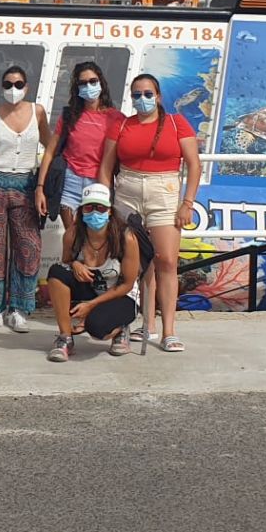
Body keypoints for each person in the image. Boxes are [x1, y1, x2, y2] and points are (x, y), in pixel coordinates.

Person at [100, 73, 200, 353]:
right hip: (127, 192)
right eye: (136, 95)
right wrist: (104, 202)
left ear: (158, 96)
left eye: (147, 94)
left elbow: (194, 164)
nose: (142, 99)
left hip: (163, 191)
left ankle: (169, 331)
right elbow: (106, 167)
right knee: (132, 261)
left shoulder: (176, 123)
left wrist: (187, 203)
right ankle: (140, 324)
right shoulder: (122, 125)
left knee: (166, 260)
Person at [0, 64, 48, 332]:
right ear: (1, 87)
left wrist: (43, 185)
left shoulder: (38, 112)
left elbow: (50, 147)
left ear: (26, 87)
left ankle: (19, 307)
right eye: (7, 84)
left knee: (29, 247)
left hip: (26, 185)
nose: (13, 89)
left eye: (18, 84)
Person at [43, 184, 142, 362]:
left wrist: (91, 306)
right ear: (81, 210)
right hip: (92, 288)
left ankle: (121, 328)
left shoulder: (126, 237)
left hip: (122, 295)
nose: (95, 212)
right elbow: (65, 262)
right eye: (89, 207)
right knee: (56, 272)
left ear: (110, 211)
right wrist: (75, 263)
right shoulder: (73, 234)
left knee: (97, 329)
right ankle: (65, 338)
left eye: (100, 208)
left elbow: (127, 284)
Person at [37, 61, 116, 237]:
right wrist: (40, 187)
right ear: (77, 87)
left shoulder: (115, 117)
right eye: (83, 83)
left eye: (93, 81)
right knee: (73, 236)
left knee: (95, 236)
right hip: (70, 181)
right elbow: (50, 152)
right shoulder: (69, 115)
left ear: (101, 83)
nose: (89, 86)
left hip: (98, 182)